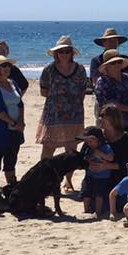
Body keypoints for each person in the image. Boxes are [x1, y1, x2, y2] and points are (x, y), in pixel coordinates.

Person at [37, 35, 89, 192]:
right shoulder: (49, 70)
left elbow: (82, 90)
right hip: (54, 114)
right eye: (61, 51)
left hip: (74, 115)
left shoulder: (79, 69)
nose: (64, 54)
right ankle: (44, 179)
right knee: (48, 148)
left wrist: (72, 103)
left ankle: (68, 181)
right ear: (56, 53)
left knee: (71, 150)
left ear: (72, 52)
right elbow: (43, 91)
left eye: (67, 51)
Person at [0, 55, 25, 200]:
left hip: (15, 130)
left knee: (11, 161)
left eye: (8, 66)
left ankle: (11, 189)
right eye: (4, 66)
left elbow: (20, 104)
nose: (7, 69)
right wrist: (12, 123)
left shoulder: (13, 82)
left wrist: (20, 121)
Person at [93, 50, 128, 155]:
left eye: (119, 62)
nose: (116, 65)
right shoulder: (102, 82)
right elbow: (106, 103)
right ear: (106, 67)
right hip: (114, 124)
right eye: (113, 63)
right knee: (115, 153)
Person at [95, 104, 128, 216]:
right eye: (99, 115)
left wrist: (107, 166)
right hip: (99, 179)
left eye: (103, 116)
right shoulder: (97, 136)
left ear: (113, 118)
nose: (100, 118)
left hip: (118, 179)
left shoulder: (126, 138)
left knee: (122, 206)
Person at [76, 126, 114, 217]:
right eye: (87, 142)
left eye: (91, 141)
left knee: (99, 194)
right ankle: (86, 210)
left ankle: (98, 212)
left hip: (102, 177)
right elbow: (85, 160)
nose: (89, 144)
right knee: (86, 192)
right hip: (90, 175)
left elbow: (111, 158)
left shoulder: (106, 147)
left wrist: (101, 154)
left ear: (99, 140)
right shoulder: (89, 149)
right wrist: (91, 157)